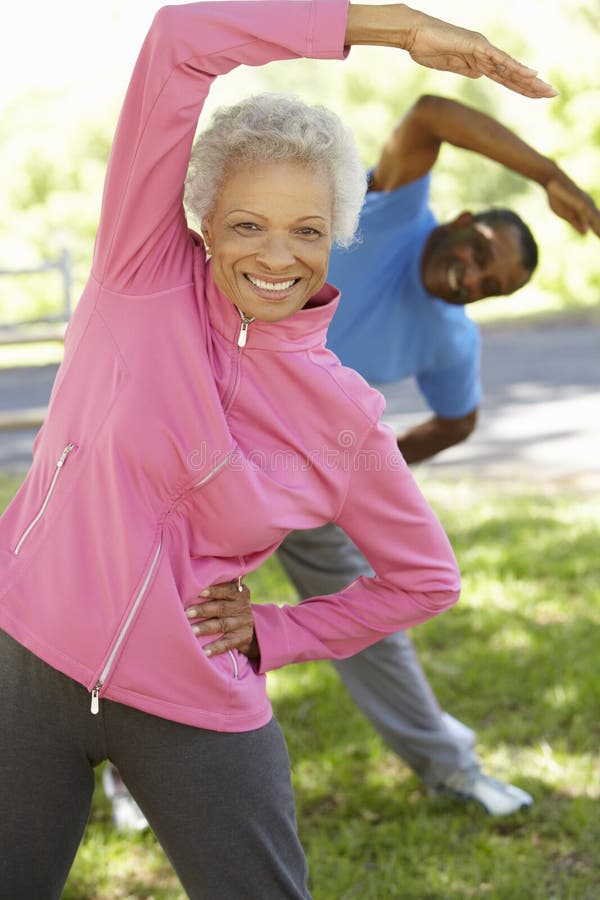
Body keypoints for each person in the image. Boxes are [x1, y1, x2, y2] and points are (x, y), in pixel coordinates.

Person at [0, 2, 558, 897]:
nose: (276, 256)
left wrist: (276, 632)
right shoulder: (137, 273)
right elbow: (183, 38)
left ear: (337, 232)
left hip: (192, 700)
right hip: (25, 655)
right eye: (247, 224)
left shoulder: (344, 414)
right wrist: (398, 30)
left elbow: (427, 579)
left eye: (306, 230)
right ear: (204, 220)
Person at [273, 94, 600, 815]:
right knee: (157, 595)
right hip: (208, 426)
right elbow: (426, 112)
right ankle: (124, 765)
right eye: (481, 254)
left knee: (371, 623)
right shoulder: (392, 214)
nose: (473, 278)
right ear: (459, 223)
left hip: (302, 473)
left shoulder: (452, 337)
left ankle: (451, 767)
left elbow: (459, 421)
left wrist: (351, 479)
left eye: (492, 288)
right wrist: (547, 173)